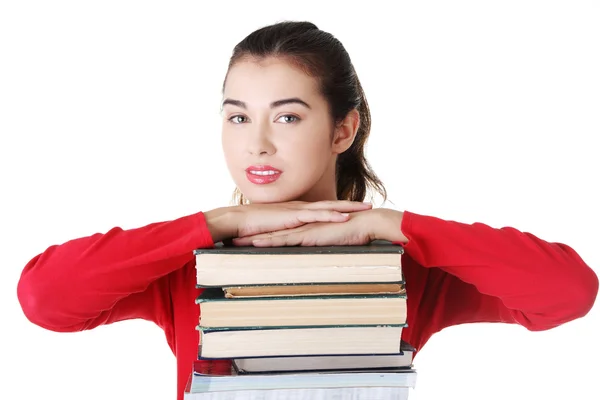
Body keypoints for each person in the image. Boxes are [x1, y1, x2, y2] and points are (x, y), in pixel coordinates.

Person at [16, 21, 598, 400]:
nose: (257, 144)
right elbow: (47, 301)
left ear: (343, 128)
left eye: (287, 116)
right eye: (238, 116)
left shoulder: (400, 263)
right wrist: (216, 224)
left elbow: (565, 292)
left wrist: (389, 226)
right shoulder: (193, 264)